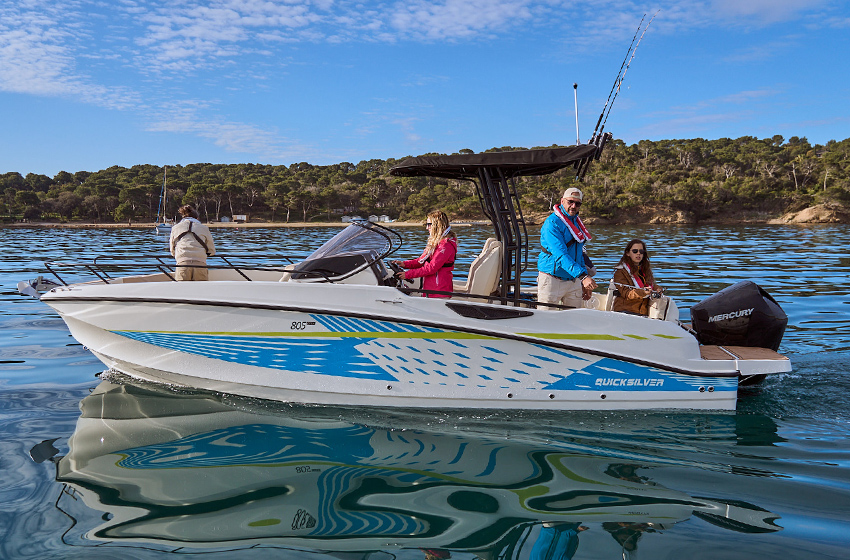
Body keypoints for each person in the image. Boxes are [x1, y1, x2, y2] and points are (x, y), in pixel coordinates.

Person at [537, 187, 597, 308]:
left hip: (573, 280)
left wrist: (584, 281)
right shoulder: (552, 223)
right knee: (546, 322)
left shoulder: (577, 222)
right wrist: (583, 277)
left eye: (578, 203)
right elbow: (560, 255)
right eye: (570, 202)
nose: (574, 206)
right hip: (551, 279)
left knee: (575, 321)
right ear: (562, 201)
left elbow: (579, 254)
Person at [394, 211, 458, 298]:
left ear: (437, 225)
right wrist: (404, 264)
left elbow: (431, 268)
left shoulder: (445, 245)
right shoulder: (436, 243)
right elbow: (421, 261)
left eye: (429, 224)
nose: (427, 228)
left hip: (438, 292)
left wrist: (408, 274)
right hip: (430, 290)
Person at [611, 239, 664, 316]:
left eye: (641, 251)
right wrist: (643, 292)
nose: (638, 253)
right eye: (635, 251)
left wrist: (657, 288)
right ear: (628, 253)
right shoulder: (620, 272)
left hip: (643, 312)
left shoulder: (645, 270)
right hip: (624, 311)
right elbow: (626, 293)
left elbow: (650, 285)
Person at [169, 204, 216, 281]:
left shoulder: (175, 228)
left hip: (182, 263)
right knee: (200, 291)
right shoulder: (204, 228)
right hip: (200, 263)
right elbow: (211, 250)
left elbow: (172, 250)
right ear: (197, 218)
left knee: (182, 291)